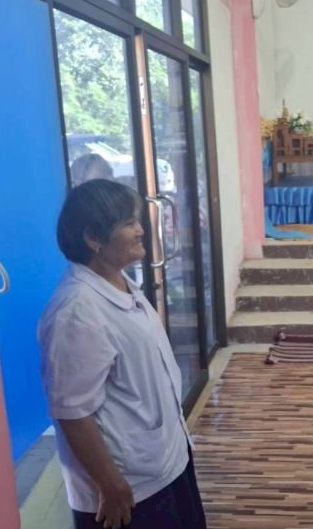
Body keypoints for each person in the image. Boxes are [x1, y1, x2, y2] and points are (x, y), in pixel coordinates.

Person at [38, 180, 206, 529]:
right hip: (127, 491)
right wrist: (110, 484)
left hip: (165, 462)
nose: (141, 229)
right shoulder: (76, 311)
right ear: (93, 238)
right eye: (129, 223)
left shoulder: (121, 283)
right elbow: (72, 412)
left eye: (137, 220)